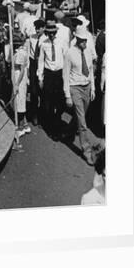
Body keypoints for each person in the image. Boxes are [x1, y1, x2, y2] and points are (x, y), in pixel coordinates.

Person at [63, 27, 96, 165]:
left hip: (86, 87)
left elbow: (90, 69)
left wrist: (92, 88)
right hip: (75, 87)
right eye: (82, 41)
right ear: (77, 39)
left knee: (80, 115)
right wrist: (67, 95)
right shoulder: (69, 53)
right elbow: (65, 75)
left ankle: (69, 131)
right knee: (82, 122)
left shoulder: (87, 51)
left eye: (86, 41)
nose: (84, 43)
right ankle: (86, 151)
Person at [37, 20, 67, 140]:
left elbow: (66, 58)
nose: (51, 35)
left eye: (53, 32)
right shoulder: (43, 44)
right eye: (49, 33)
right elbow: (41, 61)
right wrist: (40, 77)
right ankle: (50, 127)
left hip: (59, 74)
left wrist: (66, 76)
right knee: (48, 102)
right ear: (46, 33)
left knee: (60, 102)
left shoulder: (61, 43)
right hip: (49, 74)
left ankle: (57, 122)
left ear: (56, 32)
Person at [27, 18, 46, 126]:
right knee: (33, 92)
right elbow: (30, 53)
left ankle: (42, 114)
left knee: (42, 92)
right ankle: (34, 115)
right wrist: (29, 69)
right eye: (36, 28)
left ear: (43, 28)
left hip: (42, 64)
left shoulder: (46, 39)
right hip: (33, 64)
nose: (37, 30)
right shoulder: (32, 38)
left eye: (39, 28)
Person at [12, 32, 30, 133]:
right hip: (17, 76)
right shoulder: (19, 51)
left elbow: (22, 70)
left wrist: (17, 84)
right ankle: (26, 124)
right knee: (18, 101)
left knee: (20, 101)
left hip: (19, 78)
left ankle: (21, 126)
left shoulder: (21, 53)